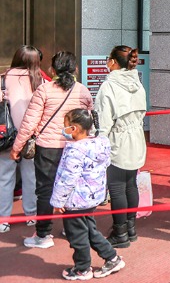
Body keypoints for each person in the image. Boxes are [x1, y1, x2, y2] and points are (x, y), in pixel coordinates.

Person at [10, 51, 93, 249]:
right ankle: (72, 228)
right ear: (75, 69)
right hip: (75, 147)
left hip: (48, 149)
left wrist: (17, 147)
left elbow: (30, 123)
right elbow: (89, 120)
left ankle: (43, 235)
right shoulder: (82, 90)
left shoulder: (44, 90)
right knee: (72, 187)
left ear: (52, 70)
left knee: (45, 191)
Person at [51, 109, 125, 280]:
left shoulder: (75, 150)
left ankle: (82, 268)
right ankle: (112, 257)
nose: (64, 129)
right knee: (90, 230)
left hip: (75, 200)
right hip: (90, 197)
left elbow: (67, 178)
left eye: (66, 126)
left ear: (75, 128)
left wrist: (58, 200)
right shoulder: (100, 143)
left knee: (77, 235)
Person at [95, 46, 147, 248]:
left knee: (116, 188)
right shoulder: (137, 83)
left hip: (117, 139)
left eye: (108, 59)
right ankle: (131, 229)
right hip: (136, 137)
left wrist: (100, 144)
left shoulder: (109, 86)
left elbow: (104, 121)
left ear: (114, 62)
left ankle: (120, 232)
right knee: (130, 184)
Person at [1, 46, 41, 233]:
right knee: (31, 176)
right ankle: (32, 215)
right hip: (31, 136)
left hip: (6, 136)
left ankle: (3, 220)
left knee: (4, 178)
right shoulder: (38, 79)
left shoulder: (3, 78)